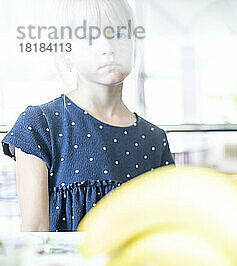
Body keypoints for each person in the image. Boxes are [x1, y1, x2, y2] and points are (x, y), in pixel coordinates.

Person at [2, 0, 174, 232]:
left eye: (119, 33)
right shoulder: (40, 124)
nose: (107, 46)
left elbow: (167, 229)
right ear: (66, 53)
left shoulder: (154, 139)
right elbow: (34, 233)